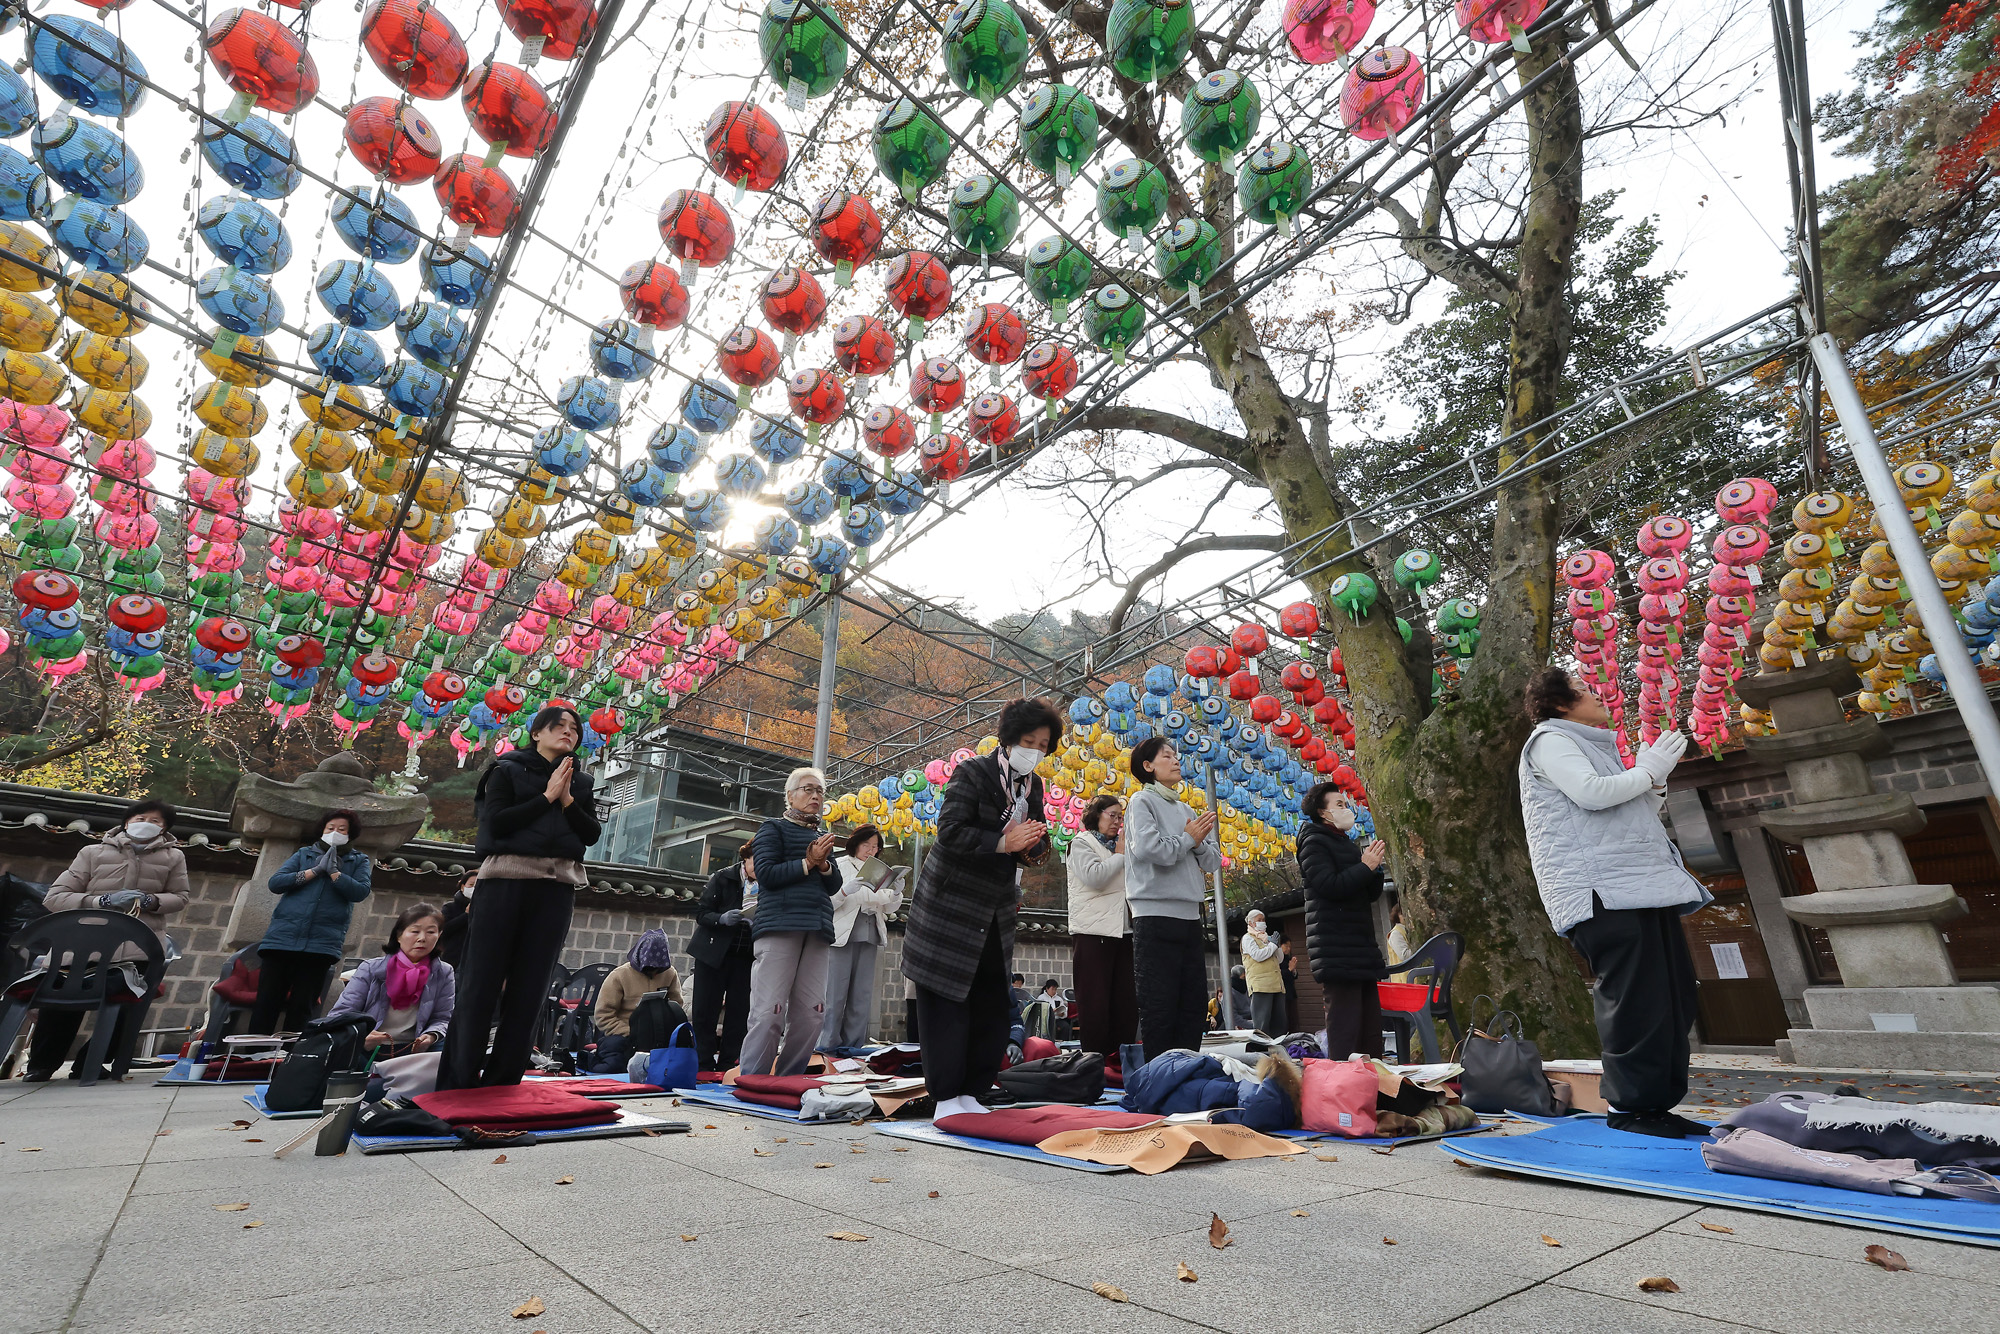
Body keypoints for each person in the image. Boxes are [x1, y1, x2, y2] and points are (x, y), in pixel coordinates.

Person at [1520, 665, 1707, 1139]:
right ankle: (1631, 1108)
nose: (1597, 694)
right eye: (1582, 690)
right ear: (1560, 704)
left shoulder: (1591, 746)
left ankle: (1657, 1104)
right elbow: (1592, 795)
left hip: (1641, 886)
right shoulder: (1549, 739)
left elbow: (1632, 813)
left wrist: (1654, 781)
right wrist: (1646, 770)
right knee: (1637, 1000)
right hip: (1600, 890)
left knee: (1674, 995)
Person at [903, 698, 1060, 1118]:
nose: (1036, 751)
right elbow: (950, 832)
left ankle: (973, 1089)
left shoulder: (1034, 787)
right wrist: (1001, 841)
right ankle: (945, 1095)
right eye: (1029, 741)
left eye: (1044, 745)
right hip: (951, 904)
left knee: (992, 998)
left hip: (997, 907)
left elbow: (1037, 838)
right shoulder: (972, 772)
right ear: (1009, 739)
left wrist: (1033, 846)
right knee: (948, 1000)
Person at [440, 703, 602, 1090]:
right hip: (504, 883)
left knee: (531, 987)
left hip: (557, 887)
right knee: (480, 982)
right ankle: (458, 1080)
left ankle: (504, 1081)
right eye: (559, 726)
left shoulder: (581, 782)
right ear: (536, 732)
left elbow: (590, 834)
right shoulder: (506, 768)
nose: (568, 733)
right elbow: (495, 823)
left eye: (574, 729)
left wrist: (565, 799)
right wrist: (546, 797)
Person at [26, 798, 191, 1081]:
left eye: (155, 821)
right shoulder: (91, 852)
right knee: (61, 999)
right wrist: (102, 900)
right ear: (127, 821)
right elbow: (55, 897)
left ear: (165, 830)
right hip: (79, 944)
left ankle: (91, 1061)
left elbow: (180, 897)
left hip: (137, 947)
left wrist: (150, 900)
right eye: (140, 818)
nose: (145, 825)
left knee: (128, 1001)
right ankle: (42, 1064)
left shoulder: (174, 857)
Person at [1124, 736, 1222, 1063]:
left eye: (1175, 755)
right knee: (1159, 1003)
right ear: (1148, 766)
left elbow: (1211, 861)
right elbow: (1151, 850)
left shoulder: (1184, 808)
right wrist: (1187, 840)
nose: (1176, 760)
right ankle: (1159, 1077)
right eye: (1167, 756)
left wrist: (1194, 841)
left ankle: (1185, 1072)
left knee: (1193, 1003)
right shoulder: (1141, 801)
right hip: (1153, 914)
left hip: (1190, 916)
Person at [740, 767, 842, 1077]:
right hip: (779, 926)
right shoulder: (772, 828)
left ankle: (789, 1078)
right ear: (790, 796)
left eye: (820, 791)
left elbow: (834, 883)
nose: (815, 796)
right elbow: (767, 874)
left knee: (812, 1014)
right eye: (808, 789)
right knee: (769, 1011)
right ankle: (753, 1079)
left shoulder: (819, 836)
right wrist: (807, 863)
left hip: (818, 927)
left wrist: (822, 864)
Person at [250, 810, 372, 1035]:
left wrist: (335, 873)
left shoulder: (358, 860)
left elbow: (360, 891)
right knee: (267, 1002)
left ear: (351, 833)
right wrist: (314, 871)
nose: (335, 833)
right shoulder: (305, 854)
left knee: (302, 1006)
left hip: (321, 945)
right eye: (330, 828)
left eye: (342, 829)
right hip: (282, 941)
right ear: (322, 830)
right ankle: (250, 1057)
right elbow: (276, 883)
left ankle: (289, 1059)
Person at [1298, 782, 1389, 1059]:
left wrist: (1374, 870)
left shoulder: (1345, 843)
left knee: (1370, 1031)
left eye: (1345, 804)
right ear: (1323, 813)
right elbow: (1330, 885)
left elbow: (1369, 893)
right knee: (1345, 1030)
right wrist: (1365, 867)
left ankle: (1374, 1090)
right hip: (1336, 950)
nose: (1346, 809)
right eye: (1339, 804)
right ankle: (1344, 1092)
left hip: (1359, 947)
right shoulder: (1313, 842)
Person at [326, 902, 455, 1058]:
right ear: (399, 935)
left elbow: (442, 1018)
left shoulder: (444, 972)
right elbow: (341, 1014)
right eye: (415, 931)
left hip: (413, 1050)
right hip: (367, 1048)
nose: (422, 938)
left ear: (439, 935)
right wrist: (360, 1036)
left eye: (431, 932)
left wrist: (432, 1035)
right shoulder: (371, 968)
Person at [1065, 794, 1136, 1059]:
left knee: (1125, 1002)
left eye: (1121, 817)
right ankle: (1094, 1062)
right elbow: (1094, 878)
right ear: (1097, 815)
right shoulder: (1081, 843)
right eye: (1113, 815)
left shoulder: (1125, 848)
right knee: (1095, 1002)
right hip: (1093, 933)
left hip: (1123, 930)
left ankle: (1121, 1061)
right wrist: (1119, 855)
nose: (1118, 822)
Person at [821, 824, 902, 1050]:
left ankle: (853, 1047)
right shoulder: (839, 865)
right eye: (866, 844)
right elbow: (828, 901)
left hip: (870, 934)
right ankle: (826, 1046)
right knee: (834, 996)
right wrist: (847, 890)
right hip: (842, 935)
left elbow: (887, 907)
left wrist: (896, 893)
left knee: (861, 996)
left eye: (875, 847)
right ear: (855, 844)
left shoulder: (879, 870)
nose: (871, 850)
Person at [689, 840, 756, 1071]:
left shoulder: (770, 883)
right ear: (745, 858)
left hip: (746, 955)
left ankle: (729, 1063)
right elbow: (701, 913)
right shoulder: (723, 877)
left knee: (740, 1013)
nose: (759, 867)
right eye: (755, 861)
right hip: (713, 952)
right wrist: (721, 918)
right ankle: (703, 1063)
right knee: (705, 1010)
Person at [592, 928, 683, 1071]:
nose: (654, 972)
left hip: (657, 1037)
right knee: (612, 1067)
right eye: (649, 968)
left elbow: (676, 1007)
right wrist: (631, 1032)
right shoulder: (619, 975)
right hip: (624, 1036)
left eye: (658, 969)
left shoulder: (670, 973)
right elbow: (603, 1016)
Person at [1240, 909, 1286, 1036]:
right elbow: (1258, 955)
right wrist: (1272, 945)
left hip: (1277, 985)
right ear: (1251, 923)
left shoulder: (1266, 938)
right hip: (1261, 986)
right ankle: (1262, 1051)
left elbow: (1280, 959)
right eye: (1259, 920)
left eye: (1263, 920)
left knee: (1279, 1023)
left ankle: (1278, 1050)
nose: (1262, 923)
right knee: (1262, 1024)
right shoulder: (1248, 939)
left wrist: (1276, 945)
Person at [436, 873, 476, 972]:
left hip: (473, 962)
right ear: (463, 886)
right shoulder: (450, 907)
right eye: (471, 885)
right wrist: (466, 915)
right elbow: (443, 930)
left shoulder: (485, 910)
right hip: (452, 960)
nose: (474, 889)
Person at [1384, 900, 1414, 983]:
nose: (1405, 917)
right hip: (1404, 981)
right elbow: (1404, 955)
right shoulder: (1396, 933)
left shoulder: (1407, 930)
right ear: (1397, 916)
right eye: (1402, 914)